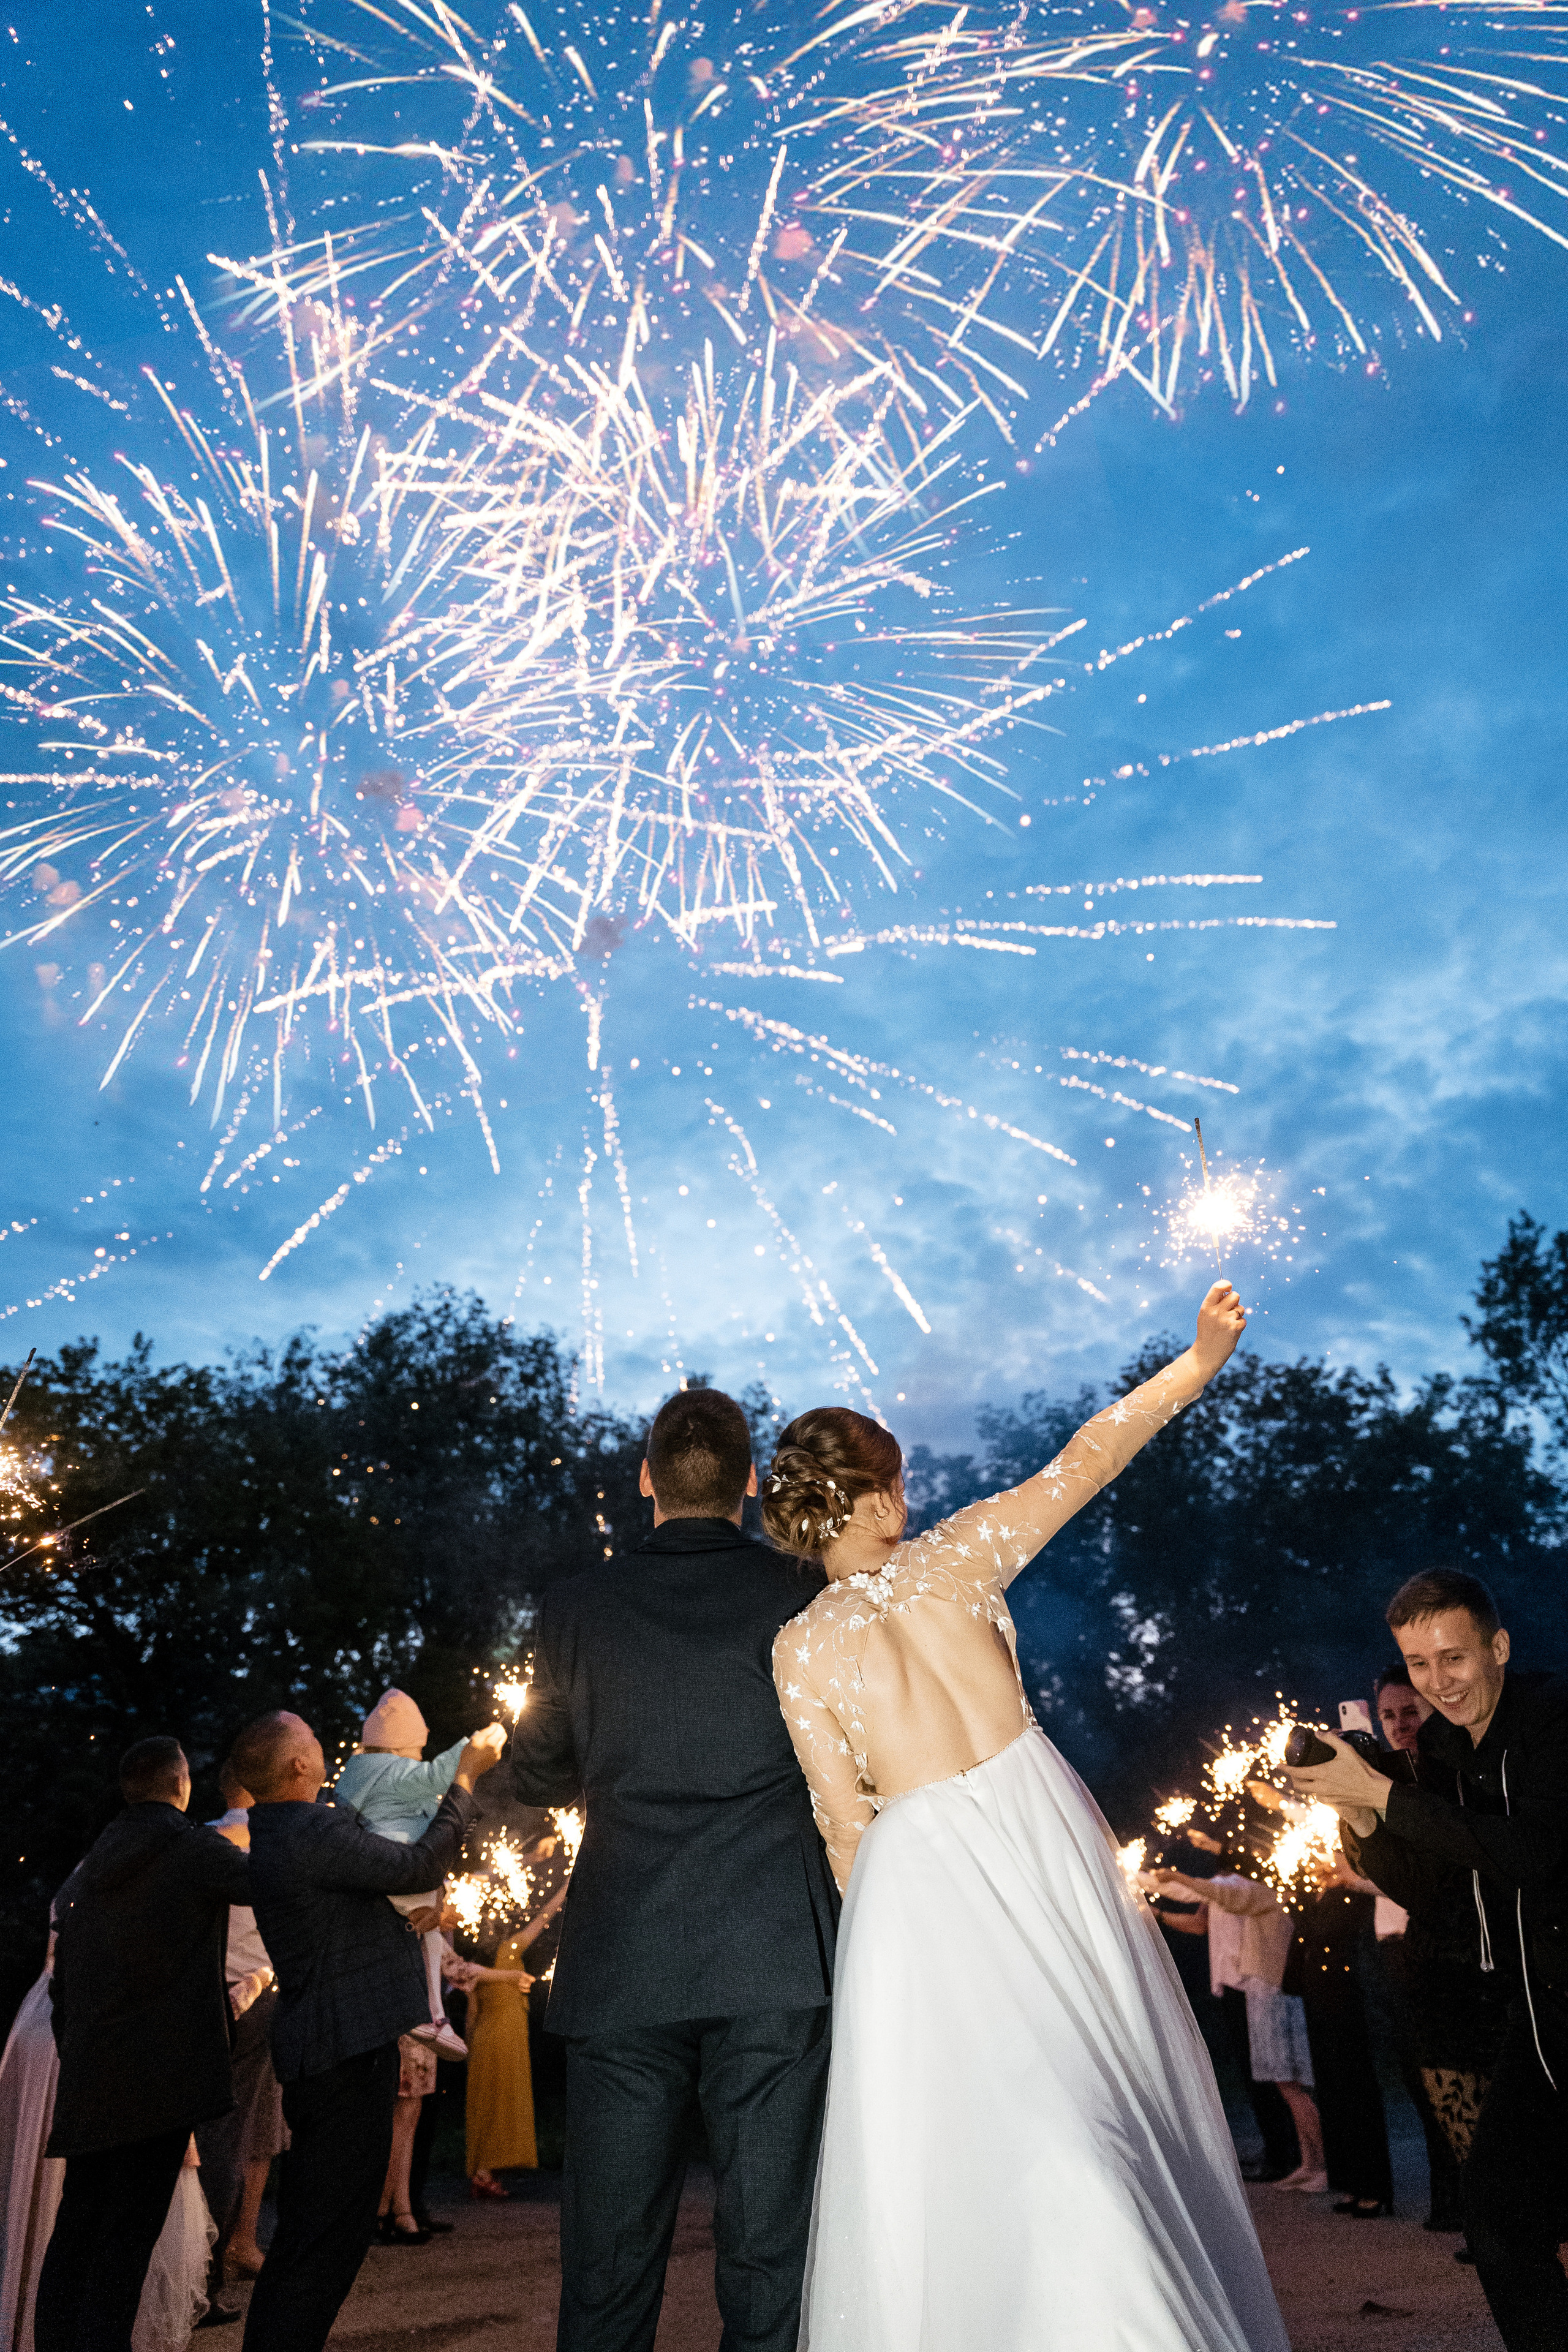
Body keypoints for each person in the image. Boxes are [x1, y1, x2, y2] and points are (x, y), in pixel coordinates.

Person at [769, 1282, 1287, 2352]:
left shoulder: (798, 1649)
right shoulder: (961, 1555)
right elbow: (1088, 1456)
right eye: (898, 1480)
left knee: (988, 2118)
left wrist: (883, 1967)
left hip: (913, 1873)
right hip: (1035, 1825)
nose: (907, 1496)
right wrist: (1196, 1363)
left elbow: (841, 1824)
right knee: (1088, 2080)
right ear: (870, 1500)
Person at [507, 1384, 840, 2352]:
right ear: (746, 1488)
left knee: (609, 2262)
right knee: (772, 2251)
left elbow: (537, 1772)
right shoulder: (803, 1590)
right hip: (776, 1955)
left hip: (624, 1957)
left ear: (646, 1478)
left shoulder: (573, 1608)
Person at [1286, 1567, 1568, 2352]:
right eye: (1417, 1664)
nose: (1436, 1683)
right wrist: (1352, 1806)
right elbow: (1433, 1888)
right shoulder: (1440, 1747)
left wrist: (1385, 1801)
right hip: (1538, 2016)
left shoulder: (1553, 1720)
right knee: (1498, 2220)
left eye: (1453, 1658)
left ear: (1499, 1647)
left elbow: (1532, 1855)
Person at [230, 1708, 503, 2352]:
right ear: (299, 1765)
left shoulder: (288, 1831)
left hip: (331, 2046)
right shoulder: (306, 1829)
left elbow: (368, 1893)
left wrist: (402, 1920)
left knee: (322, 2231)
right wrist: (463, 1781)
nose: (326, 1748)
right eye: (315, 1741)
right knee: (326, 2234)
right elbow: (413, 1866)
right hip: (340, 2050)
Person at [36, 1734, 251, 2352]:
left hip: (92, 2074)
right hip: (158, 2083)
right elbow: (270, 1887)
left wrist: (76, 2048)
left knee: (78, 2232)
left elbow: (64, 1979)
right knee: (125, 2244)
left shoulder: (96, 1859)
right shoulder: (190, 1850)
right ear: (181, 1785)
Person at [1364, 1664, 1471, 2236]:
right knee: (1423, 2077)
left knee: (1456, 2078)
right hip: (1400, 1946)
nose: (1402, 1724)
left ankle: (1473, 2207)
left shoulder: (1445, 1779)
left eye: (1412, 1711)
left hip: (1445, 1944)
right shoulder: (1380, 1777)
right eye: (1390, 1716)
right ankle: (1451, 2202)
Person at [1147, 1863, 1326, 2193]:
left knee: (1291, 2085)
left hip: (1272, 1991)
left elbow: (1218, 1893)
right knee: (1286, 2084)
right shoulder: (1253, 1890)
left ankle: (1322, 2167)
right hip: (1263, 1991)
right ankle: (1309, 2163)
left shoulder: (1261, 1891)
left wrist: (1176, 1875)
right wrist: (1153, 1893)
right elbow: (1205, 1899)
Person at [332, 1689, 480, 2060]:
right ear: (402, 1746)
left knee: (425, 1941)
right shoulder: (395, 1771)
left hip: (377, 1872)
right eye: (417, 1749)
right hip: (405, 1868)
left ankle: (431, 2013)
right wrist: (472, 1749)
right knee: (429, 1936)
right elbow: (436, 1776)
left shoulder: (356, 1775)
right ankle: (428, 2012)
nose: (420, 1758)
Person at [193, 1761, 284, 2307]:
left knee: (225, 2126)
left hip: (206, 1996)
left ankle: (233, 2244)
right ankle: (220, 2252)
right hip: (254, 1996)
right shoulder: (266, 1840)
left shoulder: (201, 1839)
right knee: (242, 2127)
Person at [1283, 1851, 1394, 2216]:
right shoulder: (1317, 1892)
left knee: (1355, 2088)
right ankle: (1348, 2182)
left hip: (1347, 1997)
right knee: (1332, 2089)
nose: (1313, 1861)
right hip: (1320, 1996)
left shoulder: (1351, 1893)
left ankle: (1374, 2188)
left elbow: (1328, 1933)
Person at [464, 1883, 569, 2197]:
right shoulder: (510, 1950)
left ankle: (484, 2173)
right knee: (502, 2100)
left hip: (486, 2037)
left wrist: (468, 2048)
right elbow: (543, 1917)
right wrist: (567, 1885)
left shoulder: (477, 1964)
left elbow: (472, 2012)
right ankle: (484, 2174)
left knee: (488, 2101)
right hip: (504, 2039)